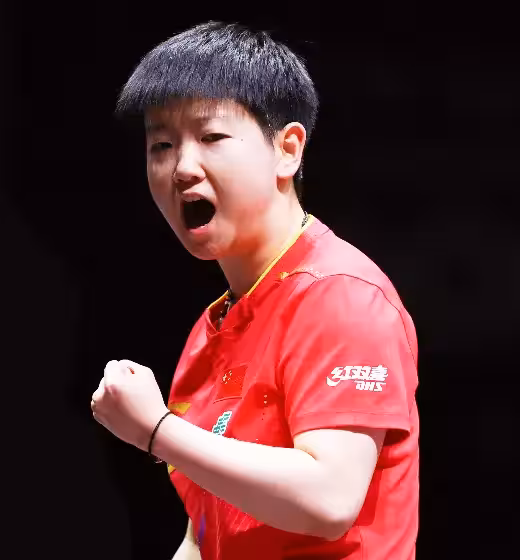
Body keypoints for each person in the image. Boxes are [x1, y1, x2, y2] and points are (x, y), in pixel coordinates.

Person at [90, 22, 419, 560]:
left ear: (287, 150)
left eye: (212, 138)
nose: (182, 168)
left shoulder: (340, 295)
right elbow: (205, 532)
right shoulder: (212, 331)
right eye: (162, 145)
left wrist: (156, 430)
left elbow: (329, 499)